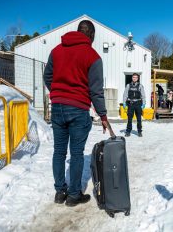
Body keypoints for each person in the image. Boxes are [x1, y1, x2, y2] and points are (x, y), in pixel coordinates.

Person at [43, 20, 113, 207]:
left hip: (57, 107)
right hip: (78, 109)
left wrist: (58, 93)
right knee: (76, 153)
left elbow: (47, 76)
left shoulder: (56, 50)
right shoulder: (93, 56)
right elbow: (96, 91)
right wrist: (103, 116)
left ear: (77, 31)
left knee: (59, 151)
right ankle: (74, 195)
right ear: (91, 36)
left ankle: (60, 192)